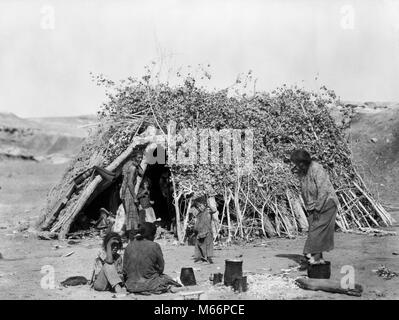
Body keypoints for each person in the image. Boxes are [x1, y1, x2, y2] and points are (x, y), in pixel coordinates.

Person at [290, 149, 339, 265]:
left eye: (297, 164)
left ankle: (311, 254)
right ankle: (318, 259)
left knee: (317, 230)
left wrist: (318, 208)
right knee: (314, 230)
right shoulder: (303, 171)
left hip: (327, 203)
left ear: (303, 162)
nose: (296, 166)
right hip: (313, 206)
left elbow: (323, 190)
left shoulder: (317, 169)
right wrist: (312, 208)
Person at [123, 222, 181, 295]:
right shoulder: (154, 246)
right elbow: (161, 268)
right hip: (150, 284)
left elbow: (125, 270)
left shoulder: (129, 246)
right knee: (167, 278)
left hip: (131, 285)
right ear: (152, 234)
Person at [120, 149, 144, 240]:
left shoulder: (128, 164)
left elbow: (141, 174)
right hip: (128, 192)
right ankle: (131, 239)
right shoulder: (133, 167)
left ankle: (129, 237)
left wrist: (138, 164)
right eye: (139, 157)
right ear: (134, 157)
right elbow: (130, 183)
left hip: (124, 191)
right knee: (132, 216)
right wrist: (135, 198)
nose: (140, 159)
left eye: (142, 158)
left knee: (129, 215)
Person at [191, 196, 217, 264]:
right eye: (198, 207)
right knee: (199, 245)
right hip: (199, 232)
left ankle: (208, 260)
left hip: (207, 232)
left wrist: (209, 205)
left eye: (200, 206)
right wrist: (195, 231)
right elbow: (197, 223)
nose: (199, 208)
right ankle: (201, 259)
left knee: (207, 246)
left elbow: (214, 210)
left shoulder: (208, 211)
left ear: (204, 204)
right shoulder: (199, 214)